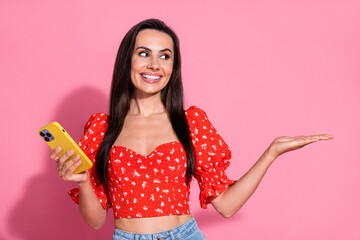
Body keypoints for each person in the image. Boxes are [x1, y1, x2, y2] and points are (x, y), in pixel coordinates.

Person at [49, 19, 333, 240]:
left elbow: (226, 206)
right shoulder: (103, 129)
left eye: (165, 56)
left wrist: (271, 153)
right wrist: (84, 182)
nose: (154, 65)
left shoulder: (190, 123)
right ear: (128, 60)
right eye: (144, 53)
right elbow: (96, 221)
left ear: (174, 66)